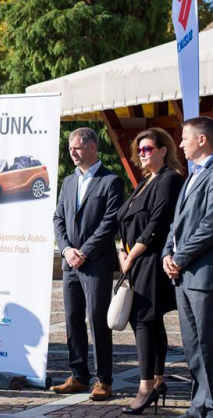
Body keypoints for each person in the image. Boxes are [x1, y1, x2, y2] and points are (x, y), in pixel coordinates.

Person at [163, 117, 213, 418]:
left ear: (203, 140)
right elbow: (177, 223)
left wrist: (179, 257)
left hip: (207, 275)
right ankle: (199, 405)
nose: (180, 144)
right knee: (194, 345)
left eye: (185, 139)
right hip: (184, 276)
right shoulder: (190, 176)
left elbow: (211, 225)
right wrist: (168, 252)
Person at [52, 127, 124, 400]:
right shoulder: (69, 181)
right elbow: (58, 218)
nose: (72, 152)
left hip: (95, 264)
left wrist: (85, 251)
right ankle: (78, 375)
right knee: (72, 319)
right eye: (70, 148)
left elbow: (110, 223)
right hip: (70, 264)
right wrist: (67, 249)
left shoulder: (111, 181)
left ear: (93, 147)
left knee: (97, 320)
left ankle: (103, 379)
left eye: (78, 147)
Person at [116, 128, 184, 414]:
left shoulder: (168, 180)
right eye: (140, 150)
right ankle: (157, 380)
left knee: (144, 320)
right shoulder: (145, 182)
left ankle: (146, 387)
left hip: (151, 260)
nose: (141, 154)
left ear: (162, 150)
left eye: (147, 149)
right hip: (133, 259)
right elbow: (124, 221)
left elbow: (157, 224)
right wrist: (121, 250)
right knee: (149, 322)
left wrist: (132, 254)